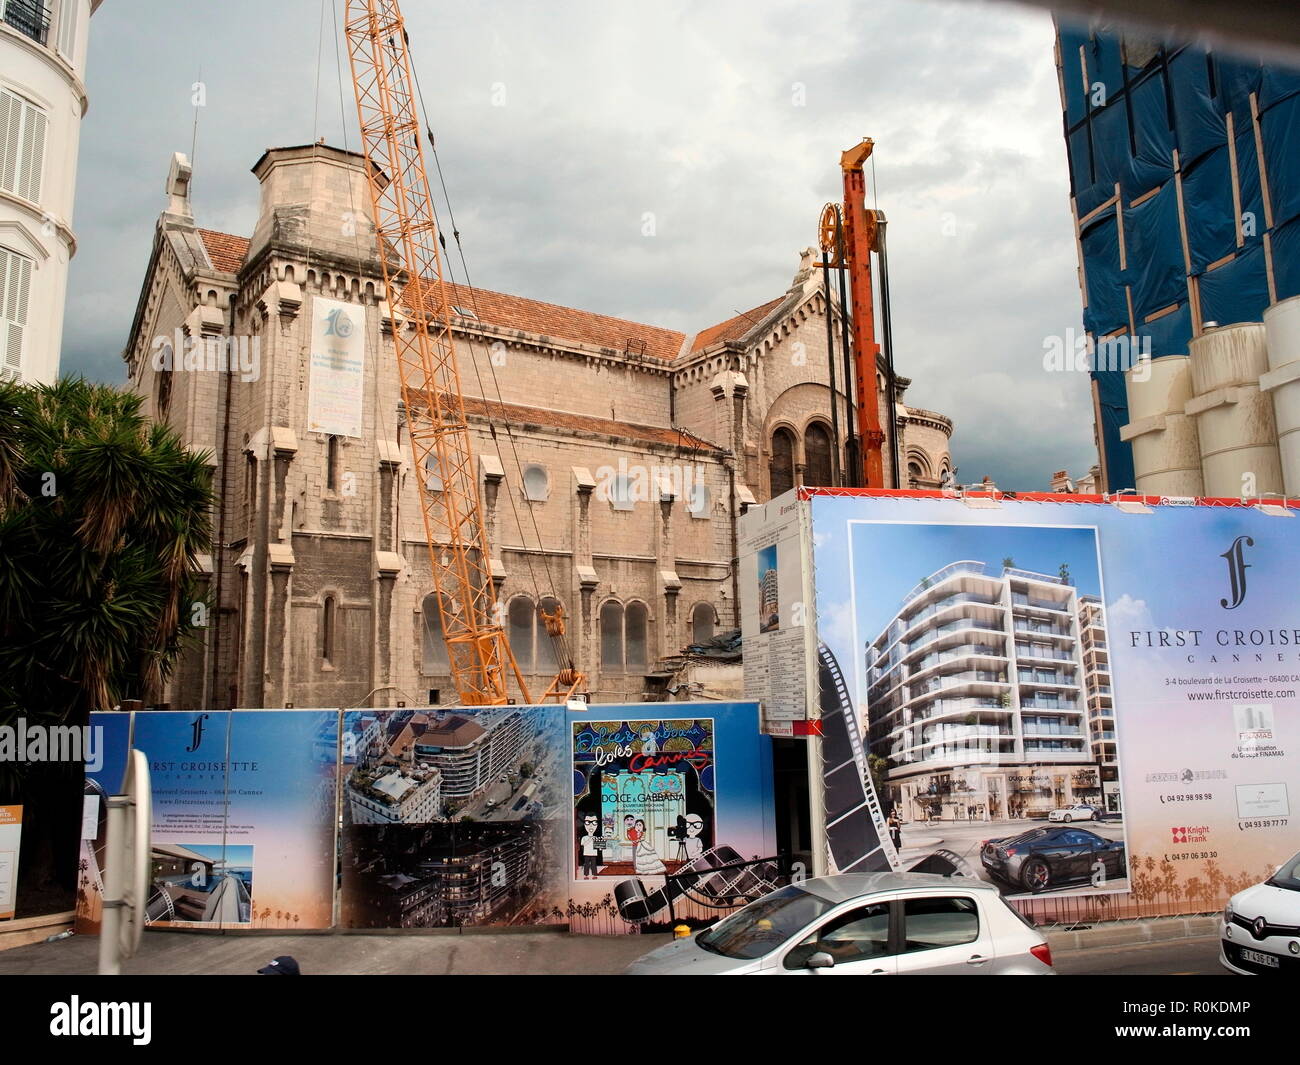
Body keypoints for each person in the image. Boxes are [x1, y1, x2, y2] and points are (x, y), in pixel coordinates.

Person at [579, 814, 602, 879]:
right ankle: (586, 875)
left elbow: (599, 846)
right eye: (587, 822)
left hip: (593, 853)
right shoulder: (584, 837)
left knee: (593, 864)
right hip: (586, 853)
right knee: (586, 864)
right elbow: (583, 844)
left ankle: (594, 875)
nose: (591, 825)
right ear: (584, 825)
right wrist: (590, 838)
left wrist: (601, 847)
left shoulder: (596, 837)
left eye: (594, 822)